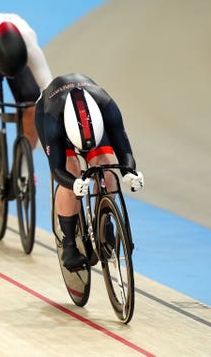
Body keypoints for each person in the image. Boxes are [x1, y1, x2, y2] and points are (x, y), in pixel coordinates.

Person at [35, 73, 144, 271]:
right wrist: (74, 183)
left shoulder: (106, 106)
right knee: (72, 170)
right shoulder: (53, 118)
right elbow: (57, 169)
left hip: (91, 127)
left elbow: (124, 150)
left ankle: (106, 221)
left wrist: (130, 173)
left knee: (107, 166)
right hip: (54, 118)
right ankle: (69, 244)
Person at [0, 13, 52, 196]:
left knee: (32, 104)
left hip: (16, 57)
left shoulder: (30, 44)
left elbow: (48, 86)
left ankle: (22, 169)